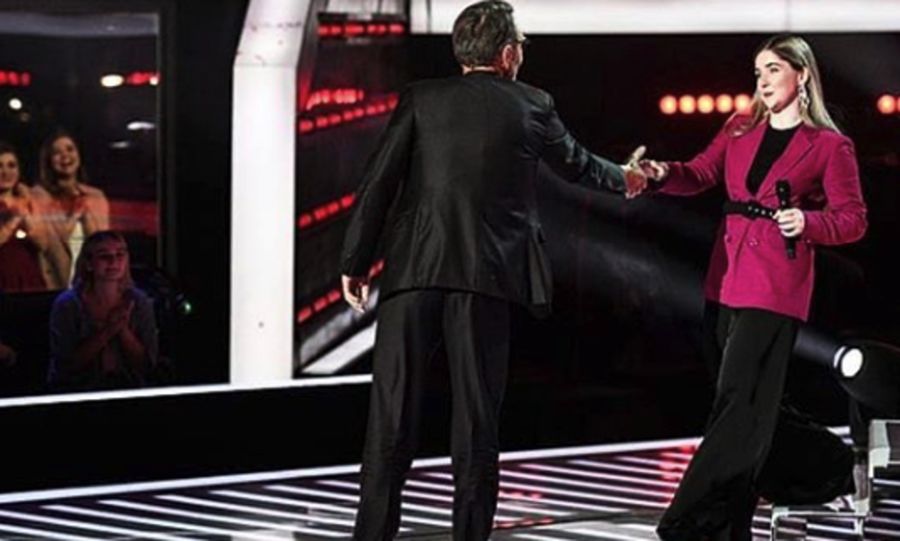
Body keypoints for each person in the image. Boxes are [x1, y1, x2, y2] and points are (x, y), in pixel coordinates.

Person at [339, 2, 647, 539]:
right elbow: (576, 165)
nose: (522, 53)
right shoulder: (532, 104)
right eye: (520, 45)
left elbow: (378, 183)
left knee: (390, 420)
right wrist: (626, 178)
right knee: (477, 424)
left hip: (414, 271)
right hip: (486, 278)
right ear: (507, 54)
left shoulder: (422, 99)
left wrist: (355, 261)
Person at [638, 35, 867, 541]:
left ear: (801, 75)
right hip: (726, 278)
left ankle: (689, 519)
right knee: (746, 405)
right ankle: (816, 468)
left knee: (739, 401)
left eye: (773, 70)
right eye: (758, 71)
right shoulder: (739, 127)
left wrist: (808, 222)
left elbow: (853, 219)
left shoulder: (830, 146)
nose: (762, 81)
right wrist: (660, 174)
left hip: (775, 285)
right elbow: (699, 173)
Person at [47, 230, 158, 391]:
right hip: (77, 393)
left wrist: (123, 330)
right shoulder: (68, 305)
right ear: (88, 263)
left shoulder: (140, 302)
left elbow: (148, 365)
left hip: (130, 392)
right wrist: (108, 330)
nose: (113, 261)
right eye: (104, 256)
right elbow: (66, 366)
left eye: (120, 254)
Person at [32, 129, 110, 290]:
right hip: (54, 287)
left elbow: (104, 244)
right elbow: (44, 244)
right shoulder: (38, 197)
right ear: (48, 160)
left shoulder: (96, 196)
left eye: (70, 149)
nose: (65, 156)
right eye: (57, 152)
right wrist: (75, 214)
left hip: (92, 288)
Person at [0, 142, 48, 293]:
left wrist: (26, 204)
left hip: (28, 278)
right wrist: (14, 219)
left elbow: (43, 244)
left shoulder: (28, 200)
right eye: (0, 166)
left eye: (11, 166)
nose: (6, 172)